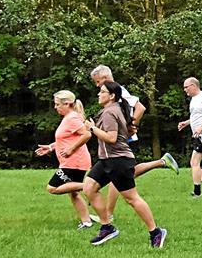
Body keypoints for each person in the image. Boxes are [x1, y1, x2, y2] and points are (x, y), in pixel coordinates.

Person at [83, 81, 167, 248]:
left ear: (112, 95)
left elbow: (111, 138)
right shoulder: (114, 110)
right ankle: (107, 227)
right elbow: (126, 131)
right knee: (89, 187)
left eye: (102, 92)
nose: (99, 94)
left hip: (118, 160)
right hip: (107, 159)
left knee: (132, 198)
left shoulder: (109, 112)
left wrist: (92, 128)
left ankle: (155, 232)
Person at [89, 66, 178, 217]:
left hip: (119, 139)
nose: (97, 86)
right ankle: (161, 162)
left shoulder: (118, 91)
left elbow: (140, 107)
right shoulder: (114, 92)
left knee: (118, 176)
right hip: (119, 137)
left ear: (106, 78)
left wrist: (131, 126)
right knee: (124, 174)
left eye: (98, 82)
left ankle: (108, 215)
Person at [35, 89, 94, 229]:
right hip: (73, 162)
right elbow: (66, 139)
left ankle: (92, 185)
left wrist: (71, 149)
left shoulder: (72, 118)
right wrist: (50, 147)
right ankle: (86, 222)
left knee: (52, 188)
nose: (55, 107)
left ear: (67, 104)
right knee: (74, 193)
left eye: (57, 104)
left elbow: (87, 135)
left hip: (74, 162)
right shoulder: (69, 118)